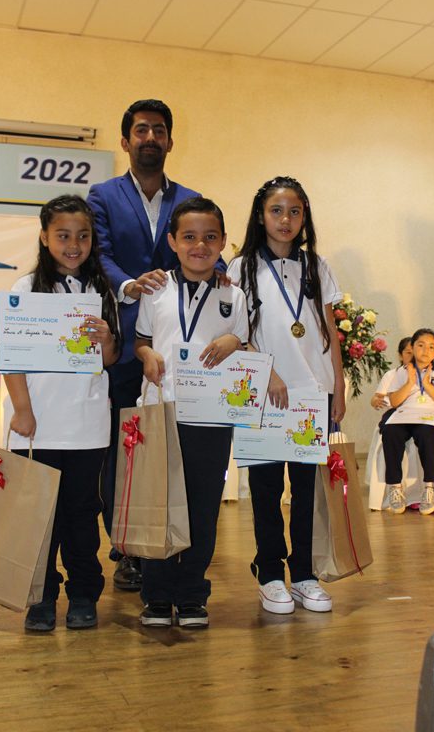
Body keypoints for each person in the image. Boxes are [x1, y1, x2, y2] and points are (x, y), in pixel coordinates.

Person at [87, 99, 201, 591]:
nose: (150, 137)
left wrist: (219, 271)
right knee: (123, 448)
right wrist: (129, 285)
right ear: (125, 140)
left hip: (175, 348)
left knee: (172, 445)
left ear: (170, 140)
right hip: (121, 341)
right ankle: (126, 547)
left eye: (158, 130)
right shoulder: (102, 195)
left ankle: (174, 538)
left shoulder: (191, 198)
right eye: (141, 130)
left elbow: (205, 251)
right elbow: (98, 252)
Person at [227, 176, 345, 615]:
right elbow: (235, 333)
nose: (286, 219)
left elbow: (329, 329)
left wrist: (338, 386)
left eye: (295, 211)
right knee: (265, 489)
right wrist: (266, 372)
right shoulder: (240, 268)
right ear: (261, 216)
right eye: (276, 210)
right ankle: (271, 572)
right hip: (264, 393)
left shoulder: (317, 265)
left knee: (307, 491)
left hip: (312, 394)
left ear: (304, 217)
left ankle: (306, 574)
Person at [3, 195, 120, 632]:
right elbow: (10, 358)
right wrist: (23, 411)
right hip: (36, 427)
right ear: (44, 237)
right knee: (40, 518)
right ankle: (41, 596)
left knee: (81, 514)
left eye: (83, 236)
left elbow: (109, 359)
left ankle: (84, 594)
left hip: (87, 428)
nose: (74, 245)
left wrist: (106, 339)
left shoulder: (101, 290)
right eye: (63, 235)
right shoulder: (25, 289)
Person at [135, 197, 249, 628]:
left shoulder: (233, 294)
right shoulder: (155, 289)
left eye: (209, 237)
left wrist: (234, 342)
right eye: (189, 237)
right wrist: (146, 354)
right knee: (159, 505)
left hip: (211, 418)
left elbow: (245, 343)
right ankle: (157, 596)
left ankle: (191, 595)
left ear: (222, 242)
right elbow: (141, 339)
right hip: (161, 411)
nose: (199, 245)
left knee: (202, 507)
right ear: (172, 241)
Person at [381, 328, 434, 516]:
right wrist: (409, 382)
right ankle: (395, 487)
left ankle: (430, 488)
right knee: (390, 431)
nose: (426, 350)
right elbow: (394, 402)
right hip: (405, 415)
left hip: (432, 416)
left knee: (426, 433)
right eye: (421, 345)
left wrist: (426, 385)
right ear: (413, 347)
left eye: (431, 347)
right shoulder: (401, 372)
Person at [371, 337, 413, 410]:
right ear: (400, 356)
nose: (413, 357)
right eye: (409, 353)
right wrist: (376, 401)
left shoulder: (427, 374)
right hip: (395, 413)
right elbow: (376, 397)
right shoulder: (391, 375)